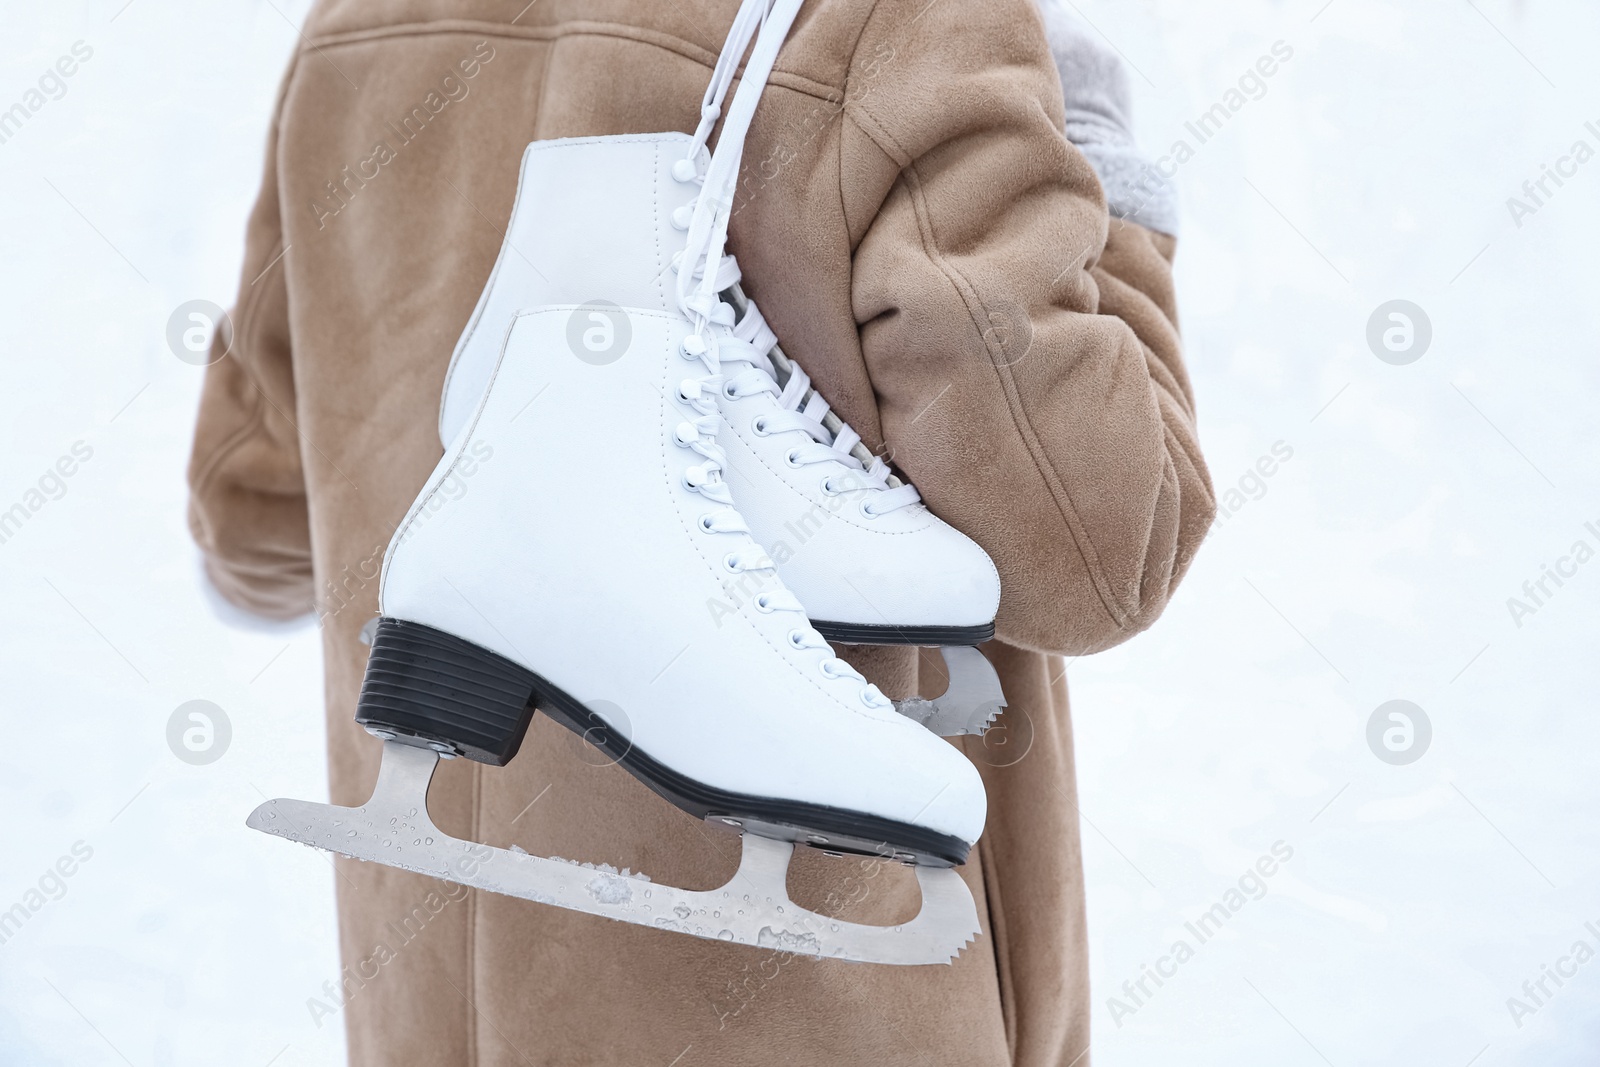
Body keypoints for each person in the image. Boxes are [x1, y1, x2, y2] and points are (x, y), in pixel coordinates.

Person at [187, 0, 1212, 1063]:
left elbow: (248, 525)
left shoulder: (354, 30)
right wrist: (1091, 150)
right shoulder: (900, 23)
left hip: (432, 1009)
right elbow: (1102, 548)